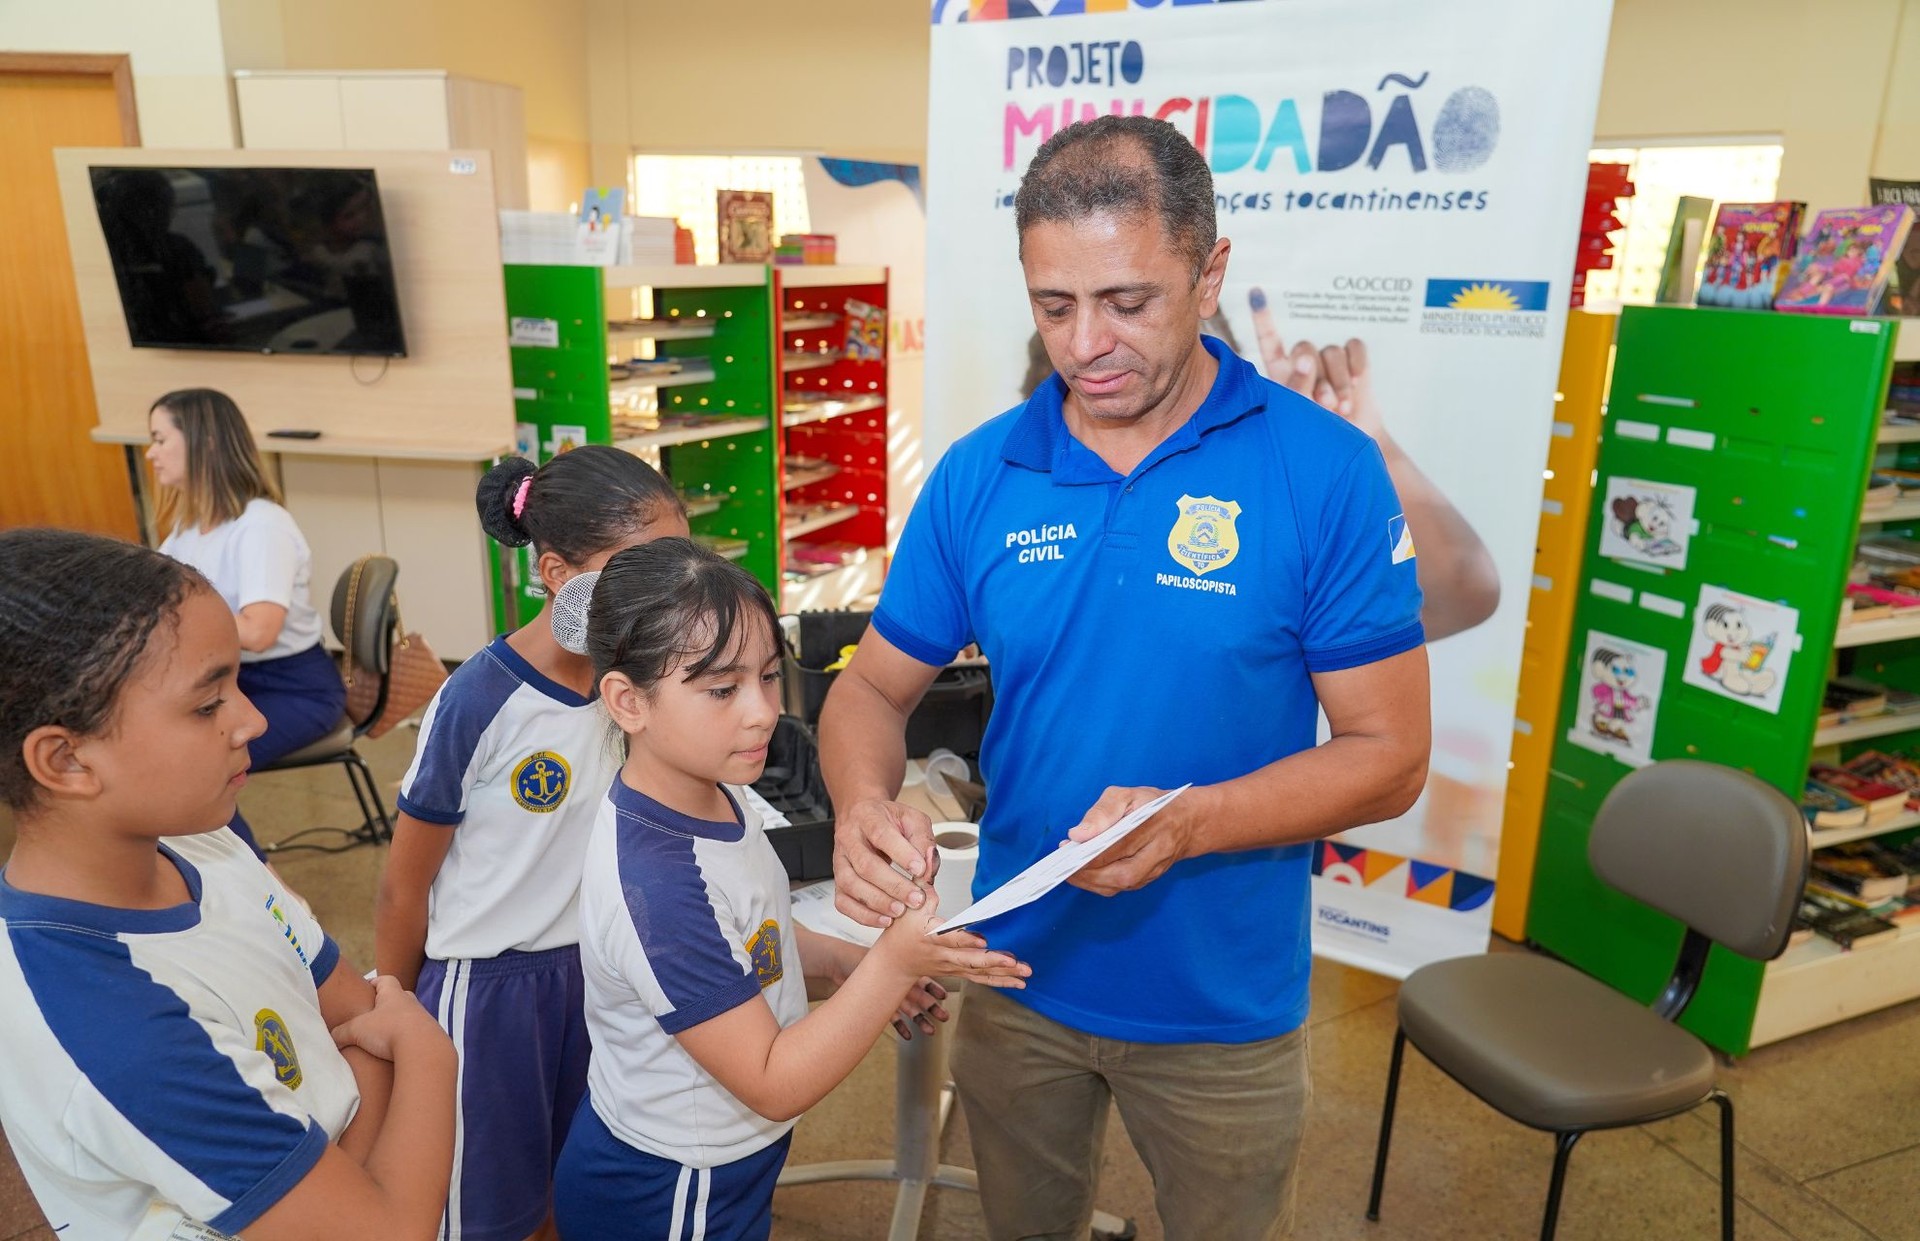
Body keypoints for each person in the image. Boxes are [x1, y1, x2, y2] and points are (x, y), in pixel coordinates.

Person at [822, 115, 1431, 1241]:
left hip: (1222, 1004)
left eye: (1128, 302)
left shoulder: (1323, 471)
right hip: (1013, 966)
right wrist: (863, 802)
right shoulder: (981, 473)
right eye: (1054, 306)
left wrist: (1192, 821)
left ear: (1210, 276)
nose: (1086, 343)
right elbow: (868, 691)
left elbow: (1389, 755)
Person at [552, 539, 1031, 1241]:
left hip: (726, 1158)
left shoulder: (711, 788)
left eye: (769, 676)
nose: (762, 711)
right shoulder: (659, 885)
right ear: (628, 701)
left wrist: (850, 965)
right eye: (722, 689)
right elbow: (773, 1078)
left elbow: (757, 932)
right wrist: (894, 961)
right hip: (672, 1187)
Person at [0, 527, 456, 1241]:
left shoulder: (204, 841)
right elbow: (386, 1228)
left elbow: (352, 1009)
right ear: (66, 759)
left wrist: (354, 1157)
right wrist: (430, 1053)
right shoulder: (102, 1011)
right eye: (208, 704)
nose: (255, 719)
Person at [374, 447, 688, 1241]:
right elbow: (403, 886)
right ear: (554, 571)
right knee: (484, 1207)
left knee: (564, 1186)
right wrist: (396, 1011)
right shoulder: (481, 698)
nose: (661, 593)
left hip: (591, 975)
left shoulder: (635, 684)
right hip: (485, 994)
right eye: (636, 569)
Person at [148, 387, 347, 857]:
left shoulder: (260, 525)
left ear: (205, 442)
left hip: (291, 689)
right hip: (227, 686)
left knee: (195, 772)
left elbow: (259, 631)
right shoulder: (188, 527)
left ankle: (255, 889)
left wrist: (177, 621)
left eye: (160, 438)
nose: (151, 453)